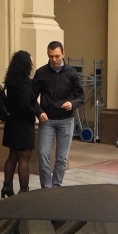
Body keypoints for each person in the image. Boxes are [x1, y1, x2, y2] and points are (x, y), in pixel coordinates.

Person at [33, 41, 84, 188]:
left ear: (63, 54)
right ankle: (46, 187)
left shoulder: (71, 73)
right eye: (50, 57)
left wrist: (72, 104)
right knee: (43, 154)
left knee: (61, 157)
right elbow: (31, 97)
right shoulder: (41, 73)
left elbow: (81, 97)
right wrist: (39, 111)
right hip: (47, 119)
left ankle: (56, 186)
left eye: (57, 56)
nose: (54, 60)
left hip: (66, 120)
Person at [0, 51, 38, 198]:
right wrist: (34, 113)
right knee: (24, 157)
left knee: (12, 156)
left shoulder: (11, 81)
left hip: (11, 123)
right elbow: (25, 104)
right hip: (23, 124)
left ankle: (7, 187)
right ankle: (24, 190)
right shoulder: (24, 83)